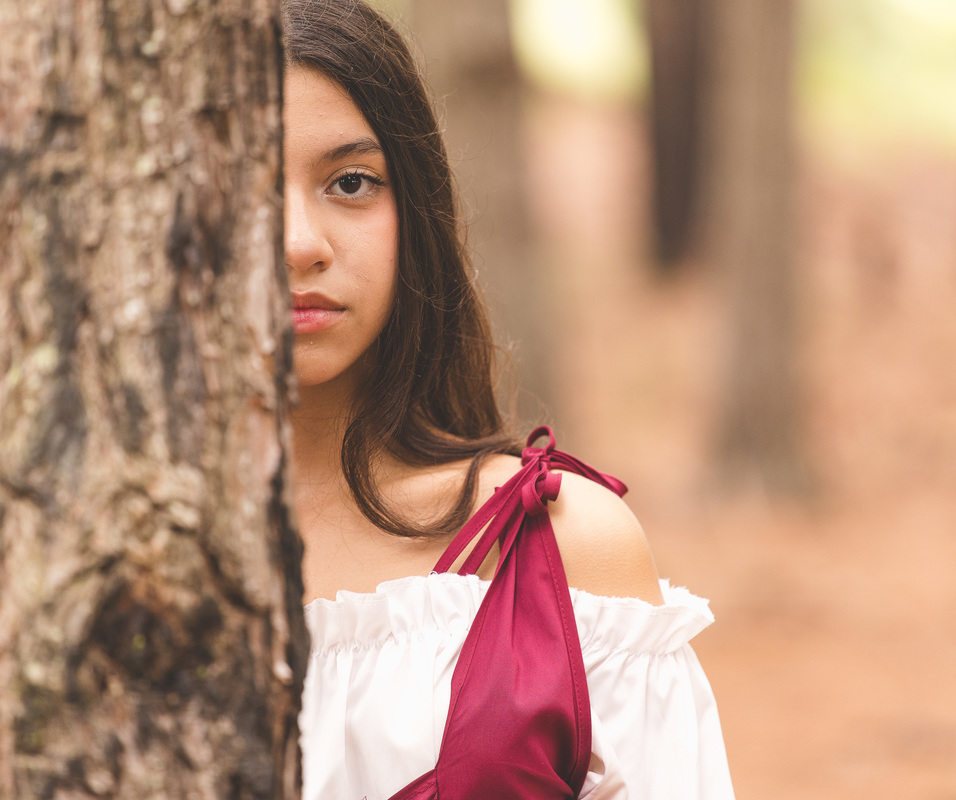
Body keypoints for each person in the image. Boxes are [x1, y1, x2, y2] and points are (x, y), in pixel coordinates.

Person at [282, 1, 735, 798]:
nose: (298, 243)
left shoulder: (557, 552)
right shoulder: (49, 546)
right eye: (234, 186)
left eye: (350, 183)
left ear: (413, 211)